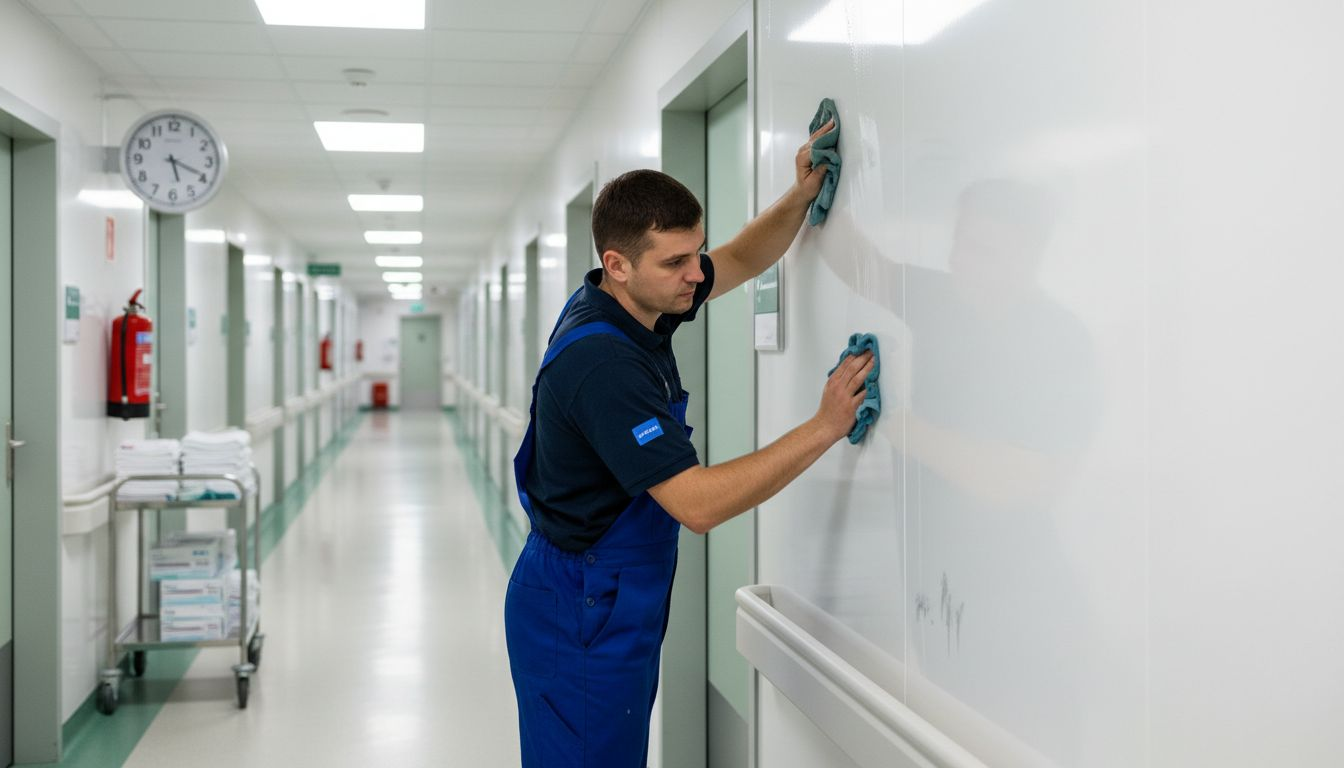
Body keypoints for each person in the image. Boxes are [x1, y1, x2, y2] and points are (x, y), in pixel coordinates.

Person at [504, 120, 872, 768]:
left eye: (693, 251)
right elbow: (696, 505)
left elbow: (736, 259)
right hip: (580, 604)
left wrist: (798, 196)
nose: (695, 273)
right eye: (675, 261)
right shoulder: (603, 365)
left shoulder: (633, 299)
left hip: (608, 591)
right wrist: (824, 425)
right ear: (616, 265)